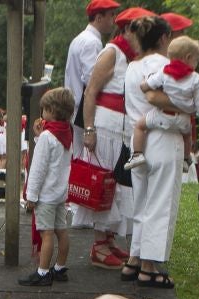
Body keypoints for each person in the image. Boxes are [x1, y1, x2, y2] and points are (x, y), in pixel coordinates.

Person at [79, 8, 144, 270]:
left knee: (117, 186)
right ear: (127, 30)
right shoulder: (111, 53)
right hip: (106, 127)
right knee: (103, 184)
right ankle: (99, 245)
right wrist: (89, 129)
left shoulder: (134, 58)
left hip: (124, 129)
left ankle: (109, 239)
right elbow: (91, 91)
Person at [125, 14, 182, 289]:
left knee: (142, 203)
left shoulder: (131, 67)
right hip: (161, 135)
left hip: (136, 140)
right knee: (160, 203)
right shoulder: (168, 66)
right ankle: (149, 265)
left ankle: (134, 257)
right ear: (163, 38)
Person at [125, 35, 199, 171]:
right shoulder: (195, 78)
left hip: (163, 115)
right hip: (182, 120)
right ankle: (186, 159)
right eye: (196, 60)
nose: (196, 63)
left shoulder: (164, 72)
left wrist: (144, 86)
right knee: (188, 134)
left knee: (140, 126)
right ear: (188, 57)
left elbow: (149, 84)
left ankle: (137, 154)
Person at [21, 87, 75, 287]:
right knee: (61, 231)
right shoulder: (66, 133)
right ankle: (60, 268)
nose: (41, 112)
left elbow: (39, 168)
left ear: (52, 110)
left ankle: (43, 272)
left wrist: (31, 196)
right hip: (60, 193)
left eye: (44, 109)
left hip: (45, 195)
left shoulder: (47, 137)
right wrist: (39, 135)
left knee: (46, 233)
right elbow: (55, 160)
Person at [65, 0, 120, 163]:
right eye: (111, 15)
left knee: (79, 157)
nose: (114, 20)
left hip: (76, 107)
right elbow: (92, 80)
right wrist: (113, 72)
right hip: (82, 109)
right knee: (84, 161)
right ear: (98, 17)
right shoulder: (92, 42)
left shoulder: (82, 38)